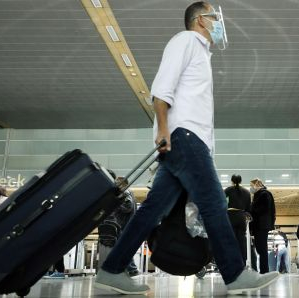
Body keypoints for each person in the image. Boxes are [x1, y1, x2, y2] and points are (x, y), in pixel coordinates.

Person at [95, 2, 279, 295]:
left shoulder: (201, 53)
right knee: (214, 202)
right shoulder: (186, 41)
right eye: (214, 17)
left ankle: (111, 269)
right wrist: (165, 131)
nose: (218, 22)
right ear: (200, 20)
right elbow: (162, 86)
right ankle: (235, 274)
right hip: (185, 137)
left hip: (187, 140)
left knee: (152, 209)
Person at [97, 174, 139, 276]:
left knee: (122, 248)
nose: (114, 185)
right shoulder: (128, 192)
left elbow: (127, 207)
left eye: (116, 183)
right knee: (123, 247)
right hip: (126, 225)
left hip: (124, 225)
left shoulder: (125, 193)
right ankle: (130, 269)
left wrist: (115, 203)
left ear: (122, 184)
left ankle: (131, 269)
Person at [249, 178, 276, 274]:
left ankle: (264, 271)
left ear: (257, 184)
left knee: (262, 249)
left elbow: (264, 209)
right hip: (259, 225)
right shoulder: (259, 195)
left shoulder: (264, 194)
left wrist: (252, 208)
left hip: (262, 225)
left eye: (251, 185)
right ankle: (263, 270)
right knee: (260, 248)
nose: (250, 188)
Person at [225, 174, 252, 263]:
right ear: (240, 181)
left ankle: (231, 261)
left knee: (230, 239)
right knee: (242, 240)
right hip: (241, 216)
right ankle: (243, 262)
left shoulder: (227, 190)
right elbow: (249, 208)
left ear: (231, 181)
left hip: (230, 216)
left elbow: (222, 203)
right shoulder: (246, 192)